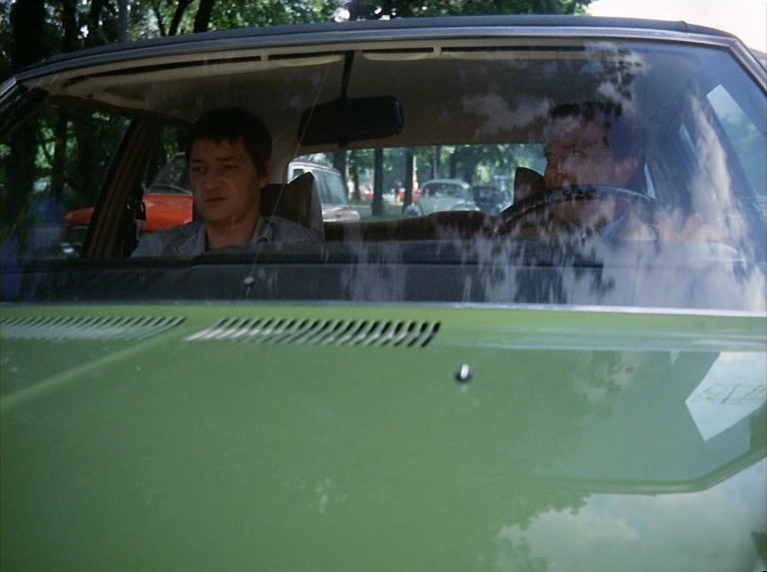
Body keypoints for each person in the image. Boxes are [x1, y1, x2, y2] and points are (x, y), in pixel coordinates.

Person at [132, 107, 319, 257]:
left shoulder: (299, 251)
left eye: (228, 168)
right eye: (199, 169)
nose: (209, 184)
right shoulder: (158, 253)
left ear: (263, 174)